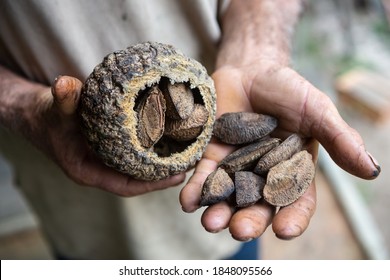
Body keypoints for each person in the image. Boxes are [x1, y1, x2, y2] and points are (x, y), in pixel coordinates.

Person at [0, 0, 380, 259]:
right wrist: (22, 107)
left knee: (237, 241)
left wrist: (255, 49)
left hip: (214, 215)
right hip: (78, 216)